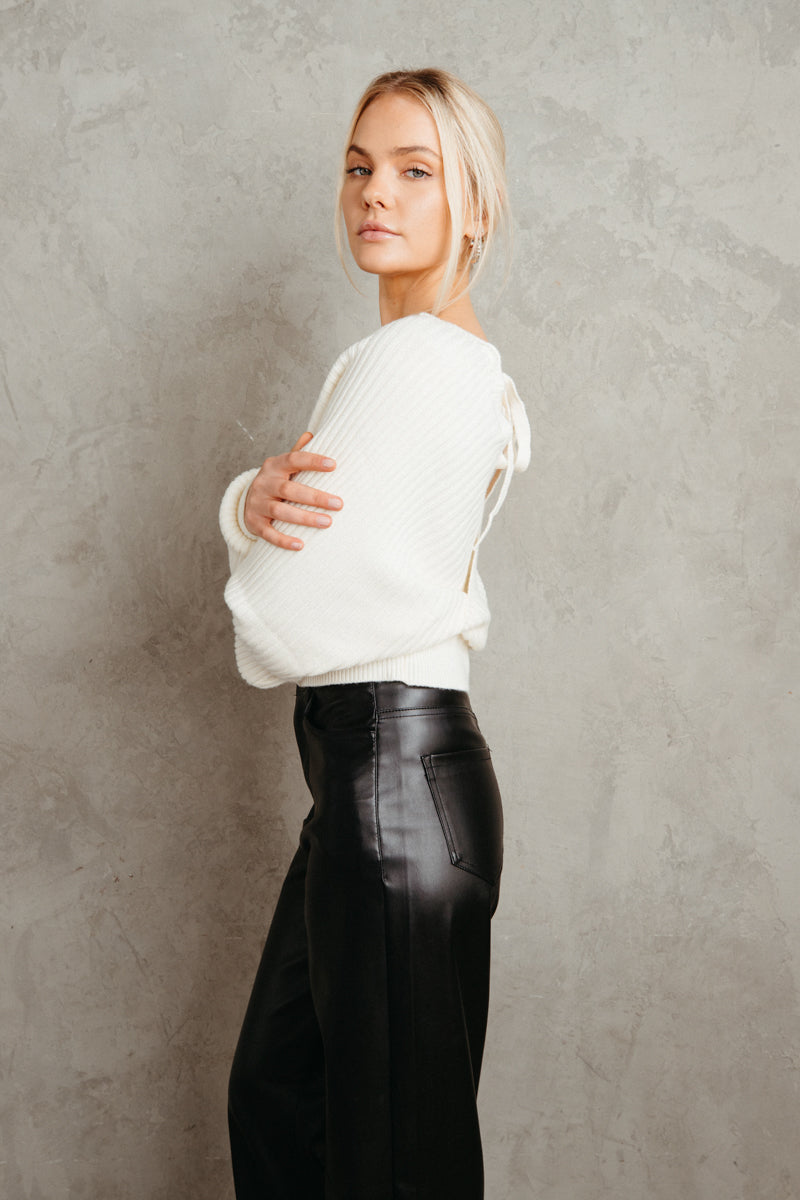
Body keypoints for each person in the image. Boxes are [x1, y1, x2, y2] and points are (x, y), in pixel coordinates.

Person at [218, 67, 530, 1200]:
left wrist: (242, 536)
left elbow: (272, 617)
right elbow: (303, 547)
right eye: (358, 167)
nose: (374, 193)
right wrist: (246, 507)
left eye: (413, 170)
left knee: (384, 1160)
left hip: (389, 779)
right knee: (288, 1099)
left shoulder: (414, 361)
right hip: (384, 785)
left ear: (473, 205)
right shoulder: (453, 364)